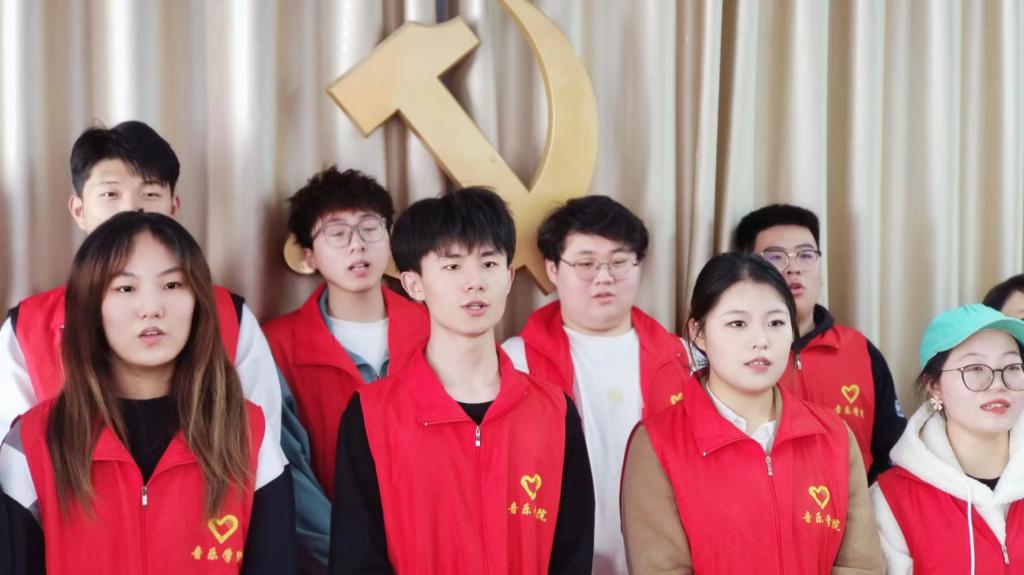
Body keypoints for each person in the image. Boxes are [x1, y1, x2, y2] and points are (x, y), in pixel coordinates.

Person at [0, 120, 331, 571]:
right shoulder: (26, 332)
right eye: (111, 194)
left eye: (149, 193)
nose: (131, 209)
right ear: (79, 208)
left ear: (174, 205)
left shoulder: (231, 319)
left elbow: (254, 451)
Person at [328, 188, 594, 574]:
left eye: (488, 263)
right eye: (452, 266)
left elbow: (572, 553)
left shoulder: (553, 411)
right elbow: (356, 558)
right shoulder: (371, 414)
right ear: (414, 284)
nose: (475, 282)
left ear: (509, 277)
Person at [621, 252, 883, 574]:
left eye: (775, 323)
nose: (761, 340)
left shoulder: (833, 435)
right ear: (698, 333)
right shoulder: (657, 443)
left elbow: (860, 565)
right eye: (738, 323)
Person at [501, 195, 688, 574]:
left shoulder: (684, 358)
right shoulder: (514, 361)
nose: (604, 277)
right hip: (557, 557)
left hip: (665, 558)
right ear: (553, 268)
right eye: (586, 264)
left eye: (619, 262)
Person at [263, 166, 428, 502]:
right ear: (309, 256)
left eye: (369, 228)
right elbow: (285, 465)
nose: (357, 245)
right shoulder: (278, 345)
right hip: (329, 530)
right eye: (337, 234)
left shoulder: (433, 326)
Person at [735, 203, 905, 481]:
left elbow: (893, 454)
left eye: (805, 255)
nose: (794, 268)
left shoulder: (860, 351)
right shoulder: (733, 354)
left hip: (856, 505)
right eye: (776, 257)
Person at [872, 304, 1024, 573]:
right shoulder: (891, 500)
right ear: (934, 386)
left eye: (1012, 366)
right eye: (975, 368)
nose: (998, 383)